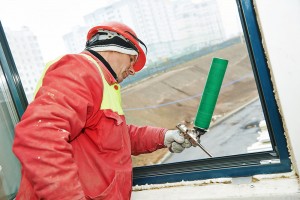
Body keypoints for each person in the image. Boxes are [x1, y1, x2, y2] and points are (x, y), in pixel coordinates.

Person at [12, 21, 192, 200]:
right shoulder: (79, 70)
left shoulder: (103, 83)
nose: (132, 71)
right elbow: (40, 136)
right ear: (115, 48)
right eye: (132, 60)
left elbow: (115, 138)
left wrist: (163, 136)